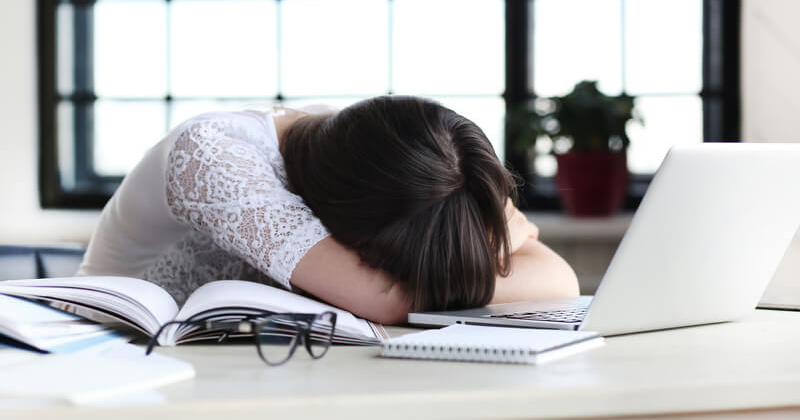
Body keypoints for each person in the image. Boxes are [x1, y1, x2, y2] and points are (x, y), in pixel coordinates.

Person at [77, 96, 578, 324]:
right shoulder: (212, 156)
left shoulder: (406, 159)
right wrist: (495, 249)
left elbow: (559, 278)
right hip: (108, 353)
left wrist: (451, 267)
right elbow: (385, 300)